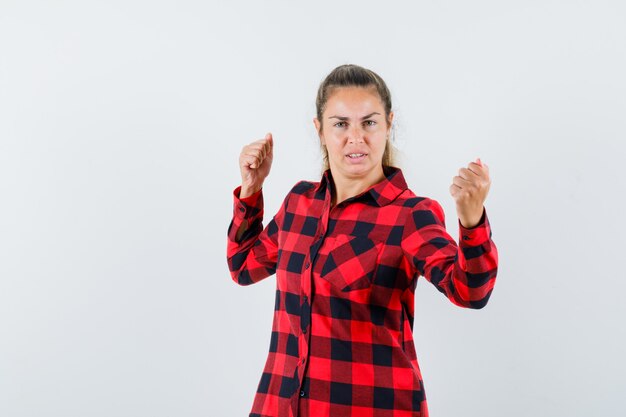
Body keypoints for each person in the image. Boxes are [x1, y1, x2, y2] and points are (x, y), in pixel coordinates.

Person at [226, 64, 498, 417]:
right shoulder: (300, 204)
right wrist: (251, 189)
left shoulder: (409, 215)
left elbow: (471, 292)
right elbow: (243, 268)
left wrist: (472, 219)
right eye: (340, 124)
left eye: (369, 122)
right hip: (279, 407)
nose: (356, 137)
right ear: (319, 130)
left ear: (388, 125)